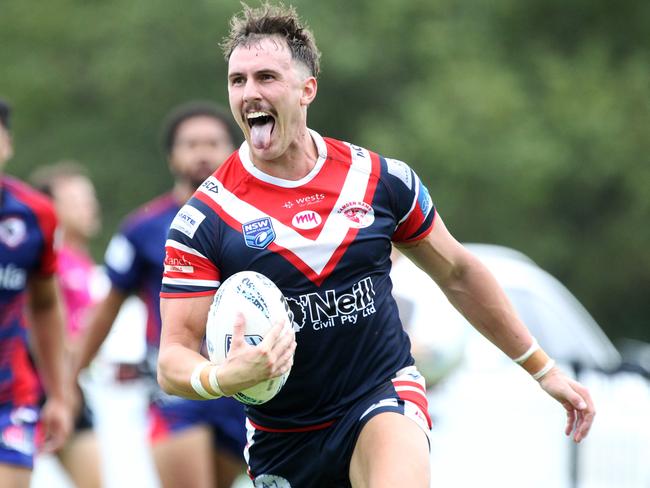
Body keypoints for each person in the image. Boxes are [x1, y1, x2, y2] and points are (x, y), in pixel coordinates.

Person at [156, 4, 596, 488]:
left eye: (266, 77)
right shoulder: (205, 219)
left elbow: (458, 273)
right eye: (237, 81)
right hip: (283, 436)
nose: (250, 92)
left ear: (308, 89)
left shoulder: (378, 180)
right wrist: (226, 376)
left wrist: (543, 369)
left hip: (380, 393)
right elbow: (173, 358)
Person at [71, 101, 247, 487]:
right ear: (171, 156)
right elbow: (108, 309)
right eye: (190, 143)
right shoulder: (143, 228)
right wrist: (71, 376)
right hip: (176, 390)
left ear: (234, 151)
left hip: (241, 386)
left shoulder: (255, 221)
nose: (202, 152)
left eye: (213, 142)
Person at [0, 99, 72, 487]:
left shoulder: (35, 215)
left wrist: (58, 395)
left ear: (7, 143)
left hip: (10, 399)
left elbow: (45, 305)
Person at [30, 161, 103, 488]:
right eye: (76, 201)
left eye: (89, 200)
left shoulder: (84, 263)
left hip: (68, 383)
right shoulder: (48, 262)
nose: (89, 208)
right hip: (33, 381)